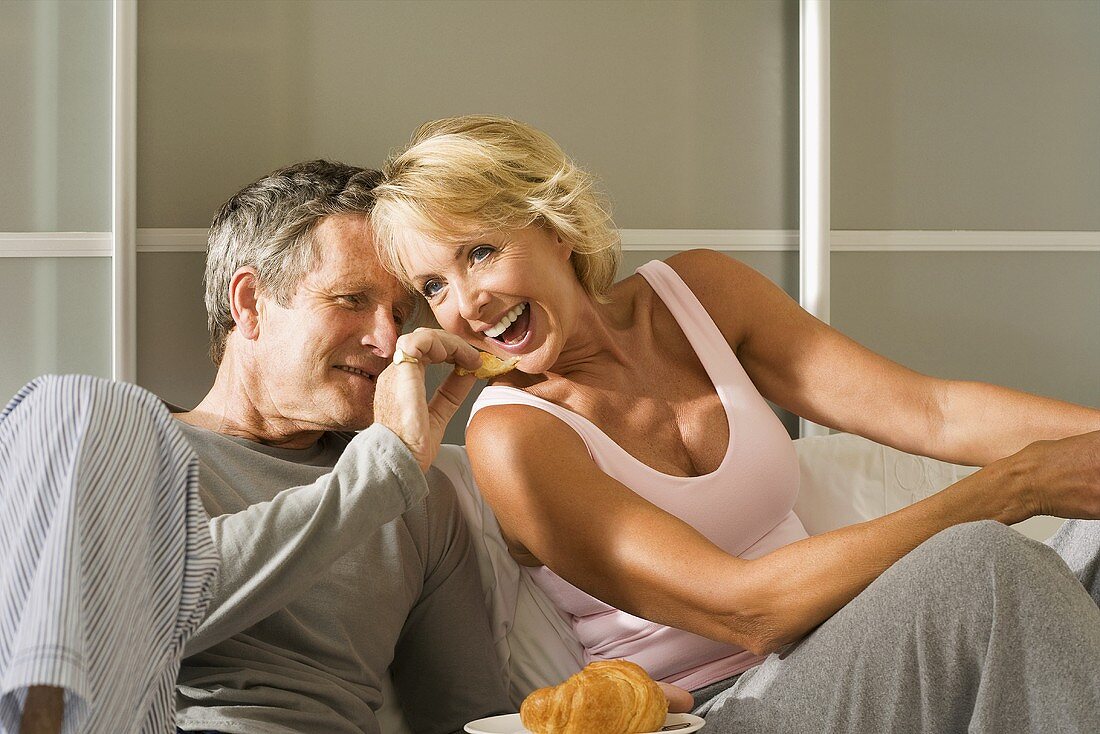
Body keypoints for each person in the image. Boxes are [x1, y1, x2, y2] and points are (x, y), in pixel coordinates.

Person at [368, 116, 1100, 733]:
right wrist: (1017, 486)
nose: (466, 304)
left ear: (554, 226)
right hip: (728, 708)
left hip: (851, 646)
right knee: (982, 564)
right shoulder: (515, 436)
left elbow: (931, 411)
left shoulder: (698, 296)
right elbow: (748, 610)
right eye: (433, 286)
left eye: (481, 252)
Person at [0, 160, 514, 734]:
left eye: (399, 312)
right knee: (67, 401)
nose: (388, 339)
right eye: (350, 299)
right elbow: (113, 621)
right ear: (249, 303)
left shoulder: (419, 496)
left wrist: (392, 470)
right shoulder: (120, 443)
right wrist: (380, 475)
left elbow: (471, 720)